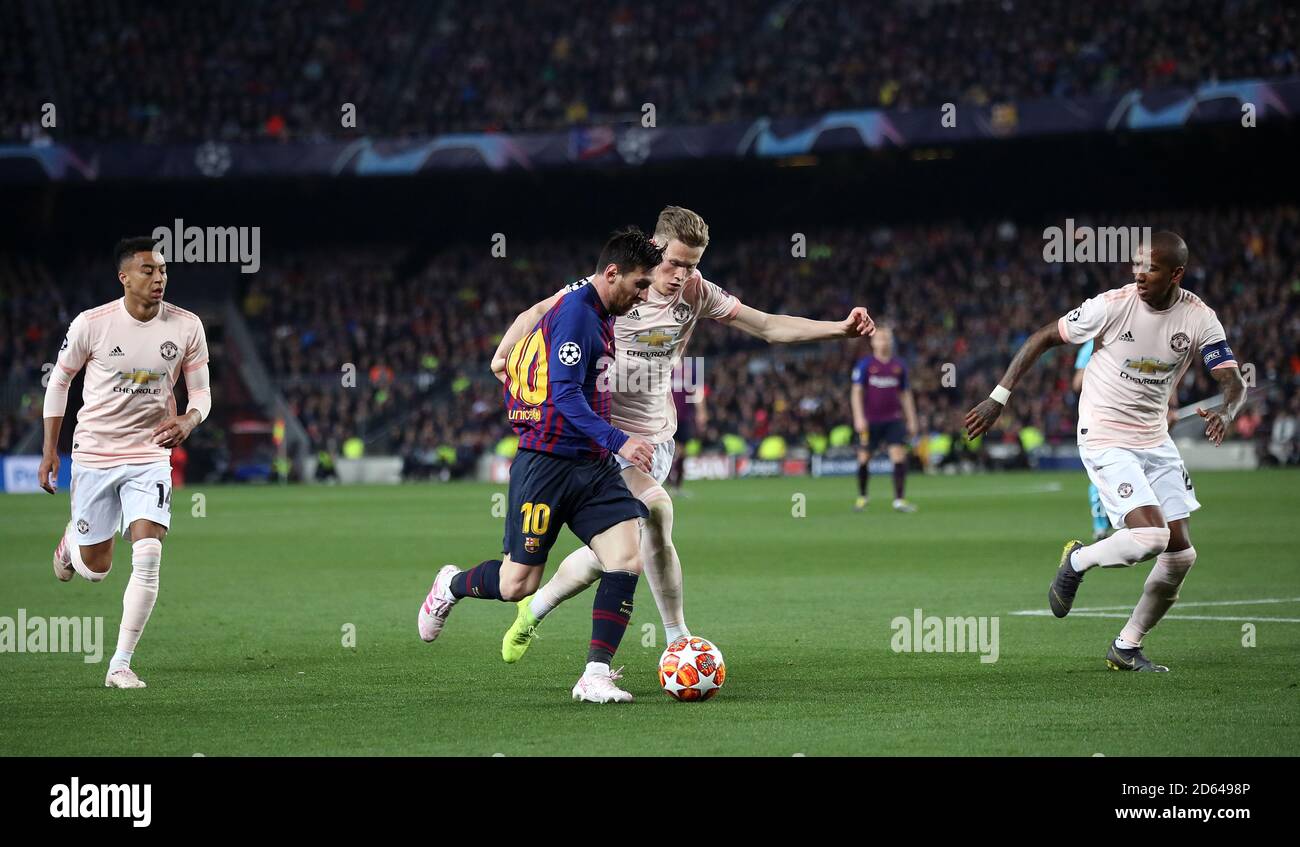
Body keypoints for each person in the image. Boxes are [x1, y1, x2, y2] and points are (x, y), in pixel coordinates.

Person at [489, 206, 872, 657]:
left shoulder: (697, 292)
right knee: (657, 512)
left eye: (692, 264)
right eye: (674, 263)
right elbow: (537, 310)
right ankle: (678, 640)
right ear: (655, 250)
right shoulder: (615, 290)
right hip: (606, 438)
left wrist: (839, 330)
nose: (680, 275)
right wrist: (502, 358)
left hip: (655, 440)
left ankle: (533, 611)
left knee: (610, 555)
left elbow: (767, 325)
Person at [964, 232, 1245, 672]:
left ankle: (1126, 646)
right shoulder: (1112, 305)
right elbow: (1042, 337)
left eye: (1149, 267)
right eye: (1135, 264)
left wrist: (1227, 411)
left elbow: (1232, 379)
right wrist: (998, 397)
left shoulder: (1199, 318)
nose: (1138, 274)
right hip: (1104, 433)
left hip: (1154, 439)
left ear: (1176, 274)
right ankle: (1077, 558)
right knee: (1152, 537)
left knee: (1180, 555)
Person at [416, 227, 661, 703]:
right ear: (612, 273)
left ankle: (594, 674)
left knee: (626, 557)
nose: (643, 295)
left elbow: (533, 310)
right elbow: (565, 394)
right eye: (638, 284)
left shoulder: (586, 299)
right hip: (546, 464)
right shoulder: (579, 319)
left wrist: (503, 353)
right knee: (516, 584)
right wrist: (622, 442)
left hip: (590, 466)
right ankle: (451, 583)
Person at [40, 237, 212, 689]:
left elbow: (201, 393)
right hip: (95, 451)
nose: (158, 278)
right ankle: (70, 543)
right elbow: (59, 383)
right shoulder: (91, 325)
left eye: (162, 271)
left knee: (149, 554)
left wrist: (189, 420)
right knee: (96, 571)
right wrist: (48, 451)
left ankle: (120, 663)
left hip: (150, 454)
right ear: (124, 277)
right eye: (148, 270)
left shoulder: (186, 326)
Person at [851, 325, 918, 512]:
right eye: (880, 338)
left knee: (898, 456)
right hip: (870, 420)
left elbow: (905, 394)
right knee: (864, 457)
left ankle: (899, 500)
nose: (884, 341)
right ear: (873, 342)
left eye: (887, 338)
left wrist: (912, 419)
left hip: (893, 419)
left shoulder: (899, 366)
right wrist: (858, 417)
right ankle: (862, 497)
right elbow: (856, 392)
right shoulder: (865, 365)